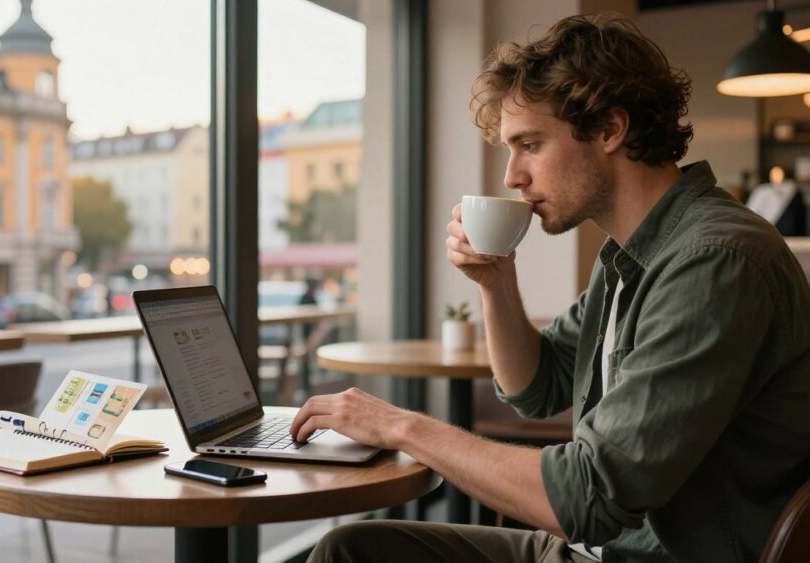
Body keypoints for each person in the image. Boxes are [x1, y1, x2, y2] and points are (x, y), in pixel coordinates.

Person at [291, 12, 810, 563]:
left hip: (648, 554)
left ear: (610, 129)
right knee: (354, 548)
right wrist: (495, 282)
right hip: (601, 548)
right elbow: (535, 386)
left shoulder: (712, 263)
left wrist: (398, 426)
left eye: (529, 145)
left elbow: (590, 496)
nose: (512, 176)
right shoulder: (629, 257)